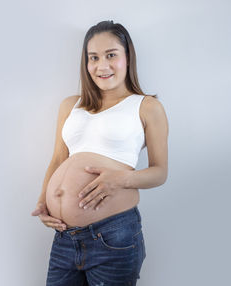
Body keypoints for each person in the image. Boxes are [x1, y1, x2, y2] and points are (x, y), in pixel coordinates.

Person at [31, 20, 169, 285]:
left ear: (128, 57)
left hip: (113, 235)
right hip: (64, 238)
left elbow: (160, 172)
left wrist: (119, 179)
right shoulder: (71, 105)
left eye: (111, 55)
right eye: (93, 57)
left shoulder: (147, 107)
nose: (101, 66)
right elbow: (59, 159)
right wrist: (43, 201)